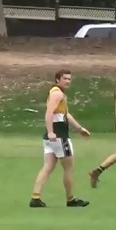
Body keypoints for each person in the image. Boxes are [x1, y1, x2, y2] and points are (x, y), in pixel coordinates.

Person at [29, 69, 91, 208]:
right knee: (68, 168)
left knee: (48, 166)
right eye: (65, 79)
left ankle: (36, 197)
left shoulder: (58, 94)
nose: (68, 81)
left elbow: (66, 115)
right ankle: (71, 199)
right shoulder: (57, 94)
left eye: (69, 79)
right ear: (57, 80)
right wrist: (51, 132)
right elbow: (49, 113)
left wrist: (80, 129)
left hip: (53, 138)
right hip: (59, 137)